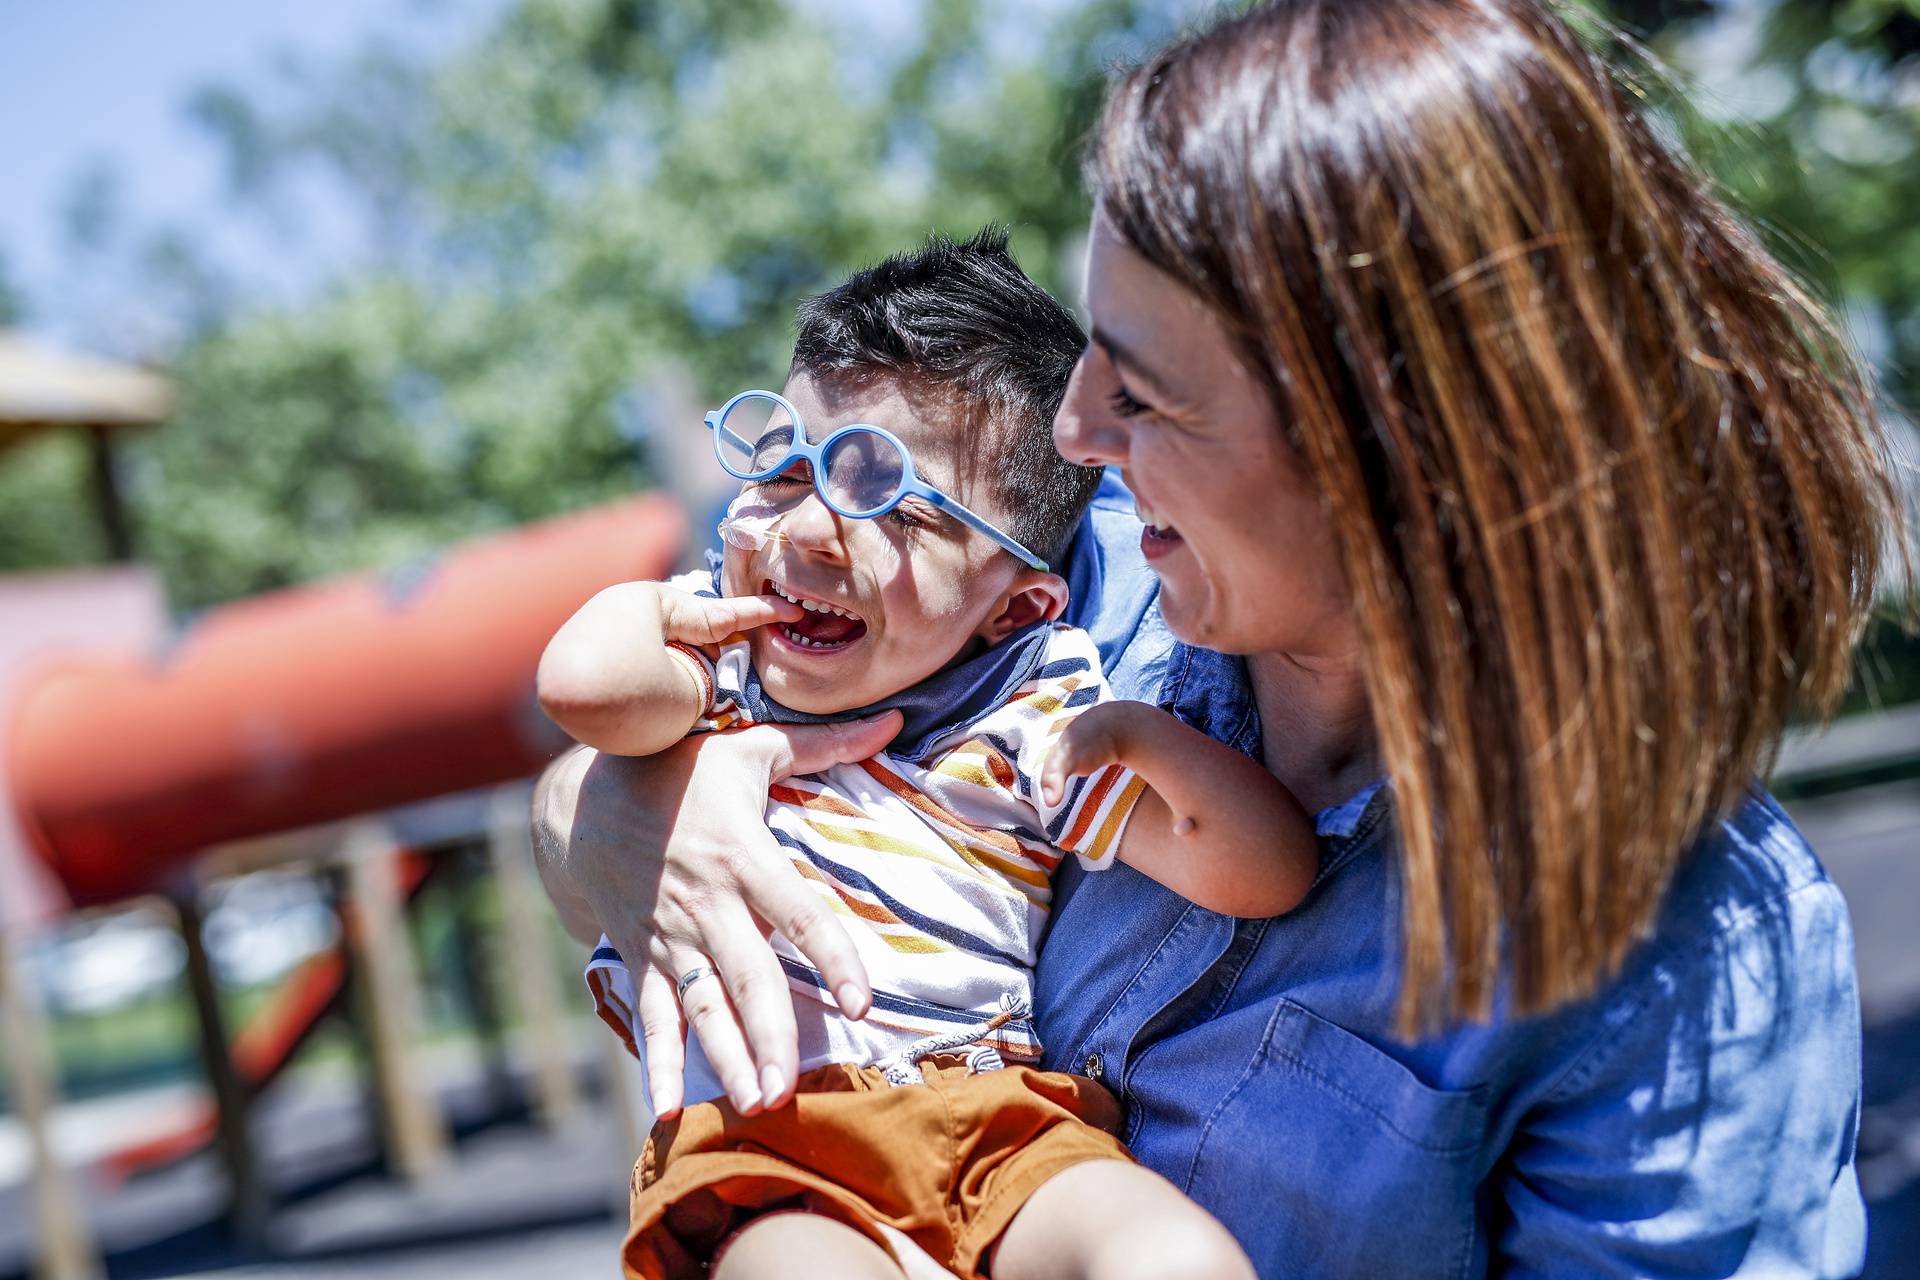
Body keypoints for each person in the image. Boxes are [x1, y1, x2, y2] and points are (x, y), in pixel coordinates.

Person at [533, 2, 1905, 1275]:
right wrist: (619, 819)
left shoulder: (1684, 951)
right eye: (1088, 366)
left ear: (1402, 451)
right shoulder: (1092, 584)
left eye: (1147, 391)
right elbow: (665, 718)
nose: (1078, 437)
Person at [538, 229, 1310, 1279]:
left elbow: (1266, 874)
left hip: (996, 1117)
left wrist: (1145, 740)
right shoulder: (718, 687)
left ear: (1015, 608)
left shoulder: (1030, 716)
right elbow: (580, 687)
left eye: (880, 493)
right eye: (780, 466)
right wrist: (674, 605)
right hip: (775, 1141)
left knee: (1168, 1250)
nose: (805, 527)